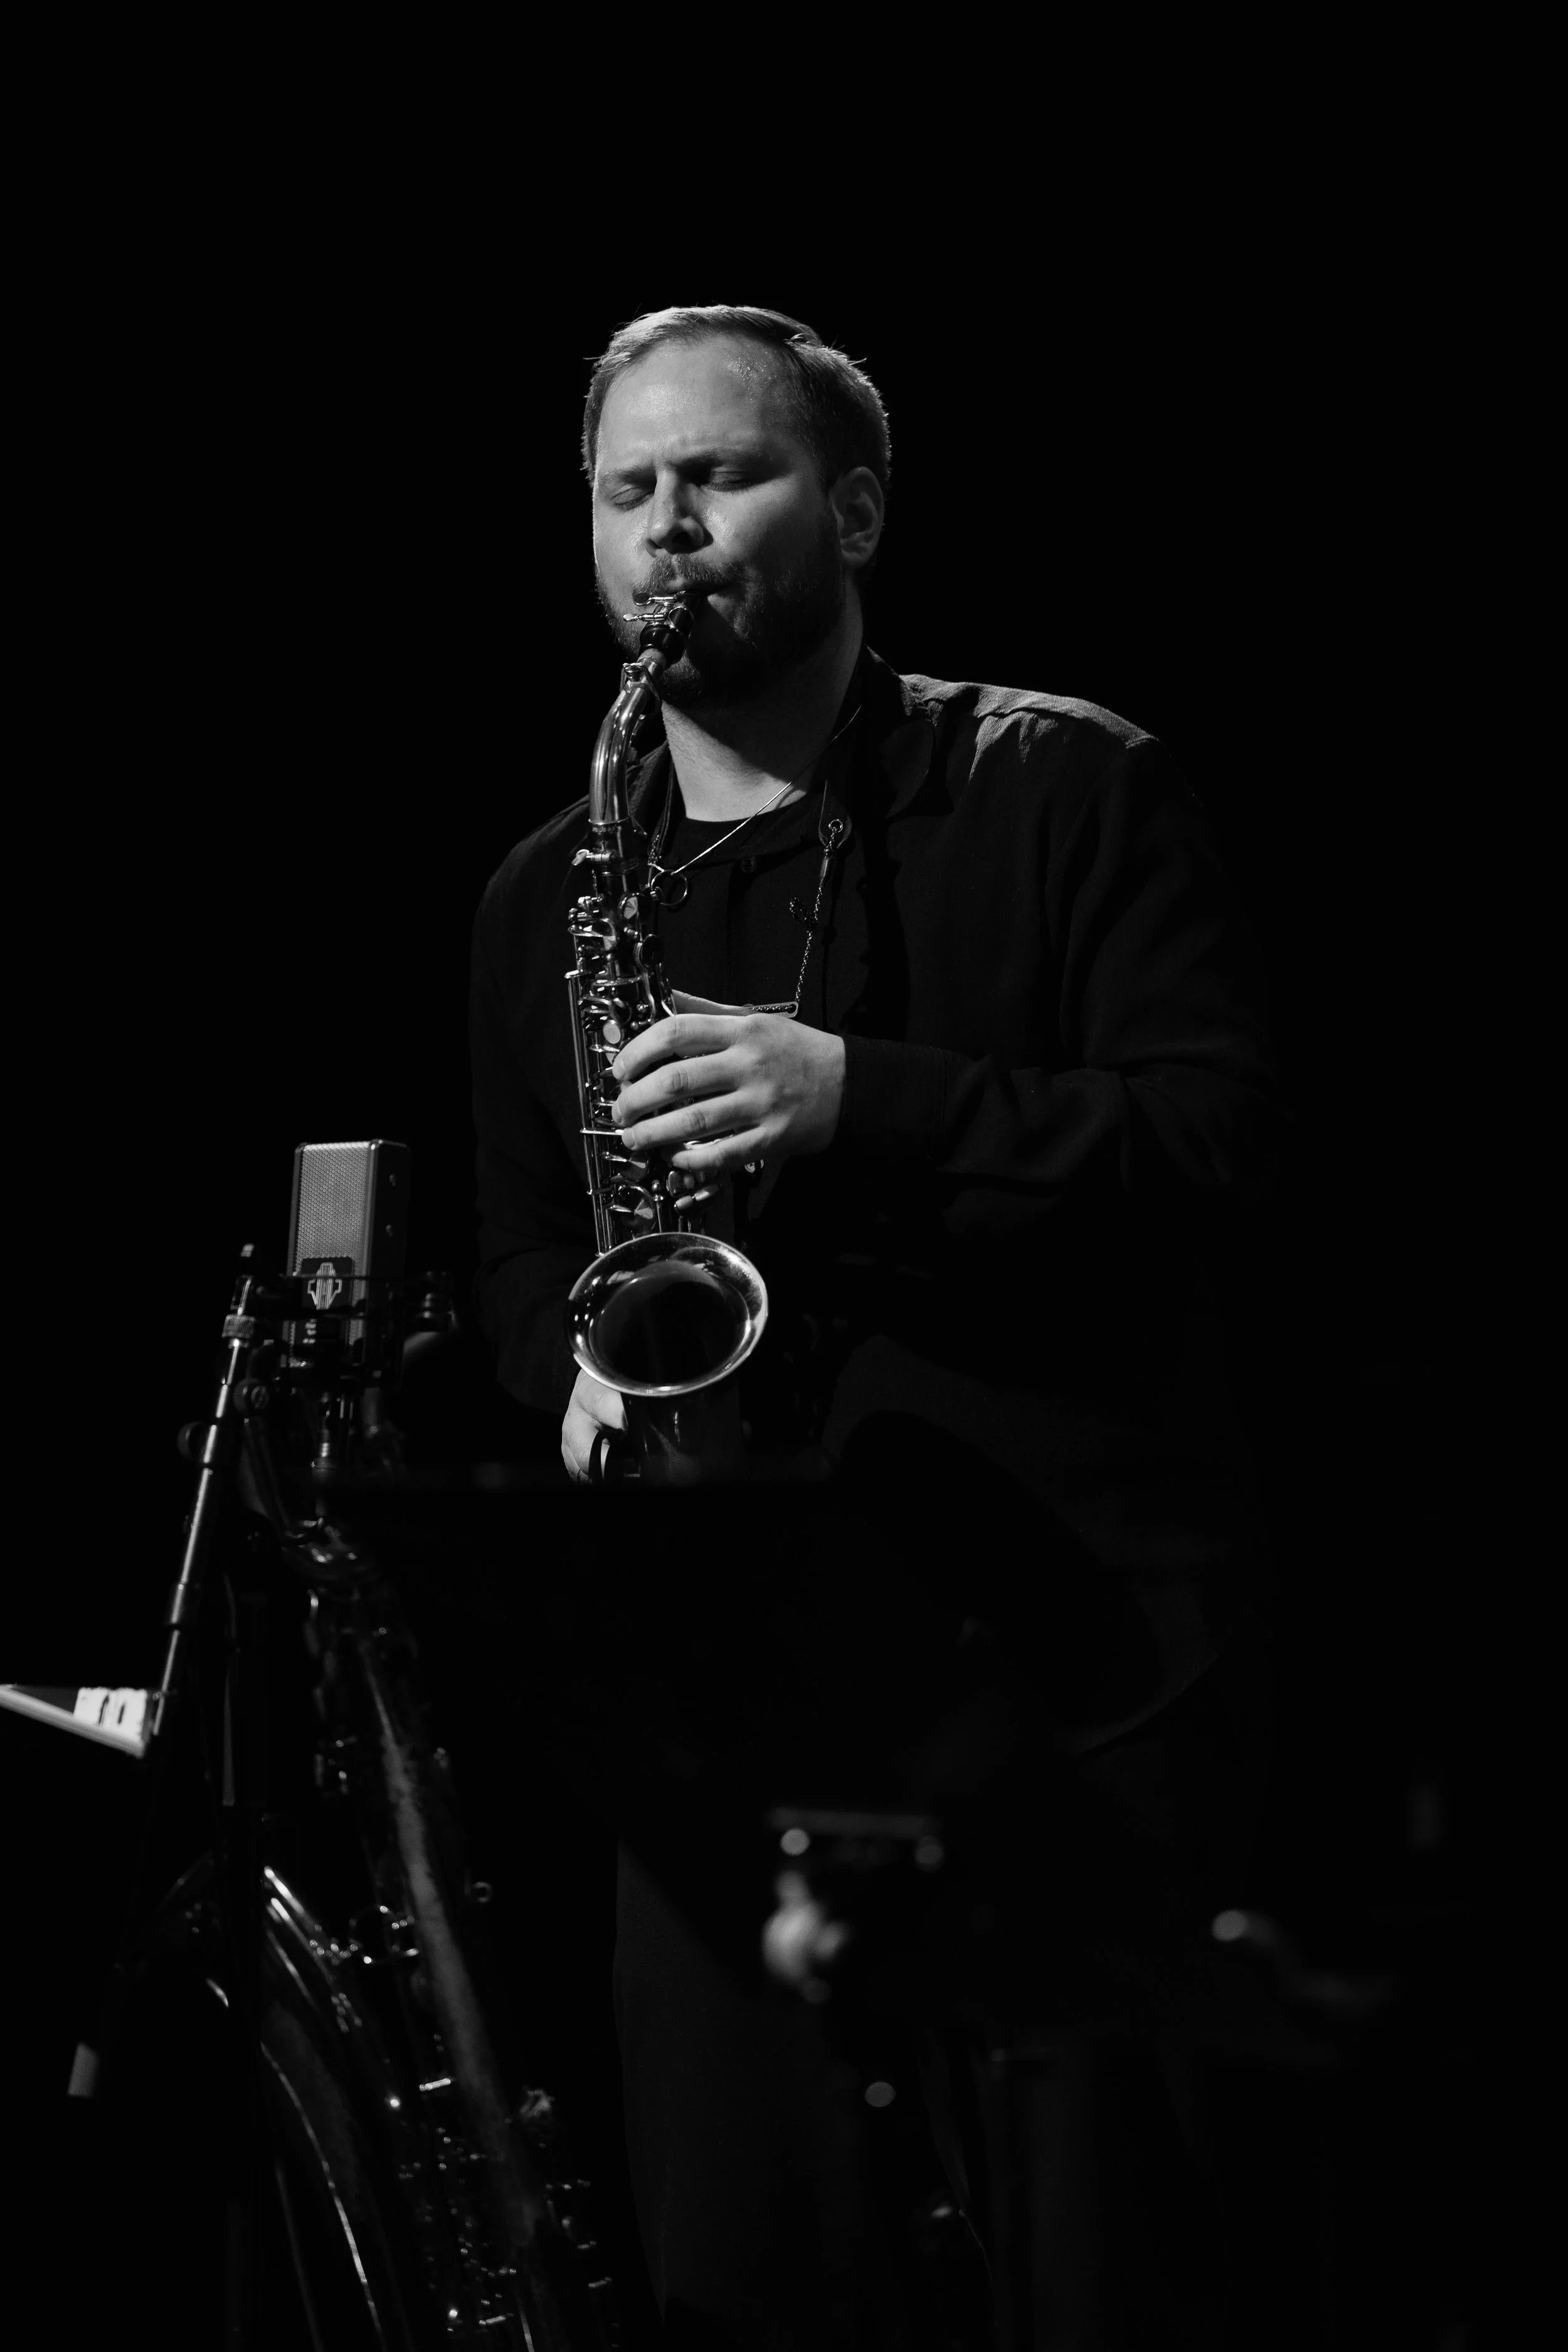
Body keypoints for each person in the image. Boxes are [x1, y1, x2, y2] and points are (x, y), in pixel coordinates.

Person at [471, 305, 1284, 2349]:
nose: (668, 530)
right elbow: (509, 1254)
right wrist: (562, 1358)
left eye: (718, 479)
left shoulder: (1067, 788)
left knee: (1116, 2286)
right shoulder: (541, 896)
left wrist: (865, 1096)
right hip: (732, 1715)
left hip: (1072, 1686)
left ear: (851, 506)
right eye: (624, 490)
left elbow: (1218, 1146)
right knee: (751, 2283)